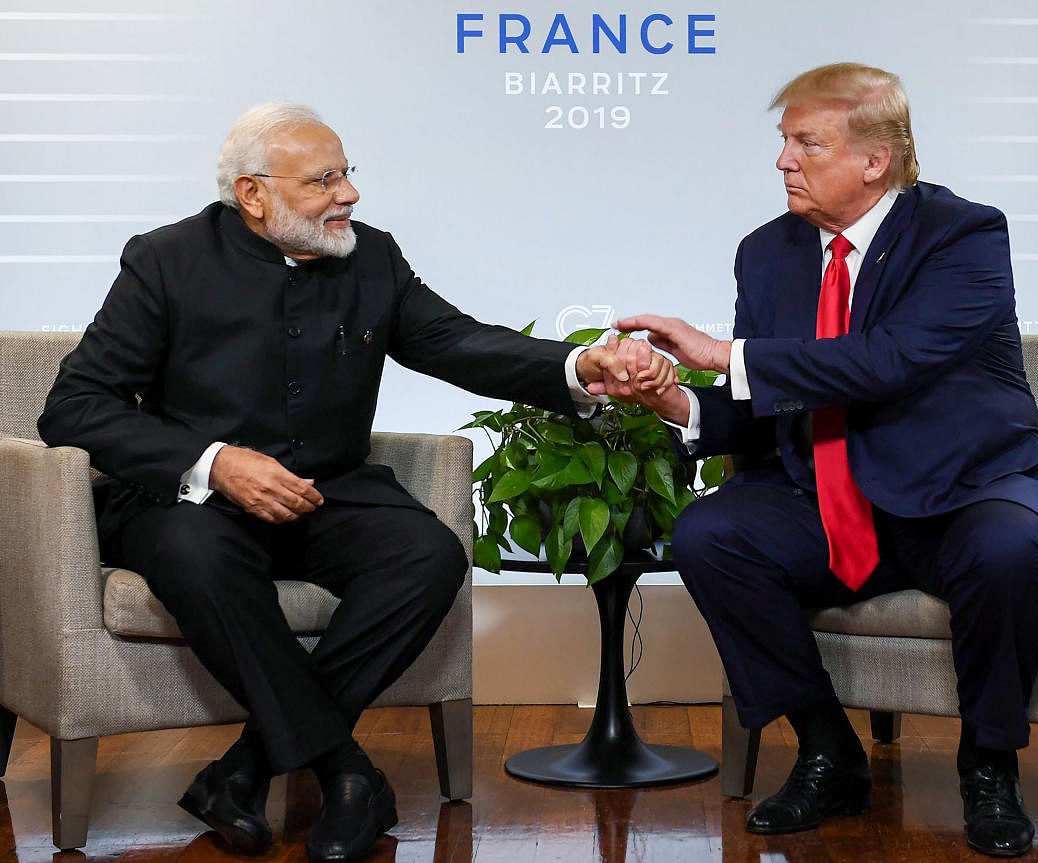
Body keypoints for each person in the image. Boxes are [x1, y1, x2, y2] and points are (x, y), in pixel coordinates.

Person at [37, 103, 673, 863]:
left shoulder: (372, 256)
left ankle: (243, 771)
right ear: (252, 193)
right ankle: (347, 773)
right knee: (198, 556)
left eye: (347, 174)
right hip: (193, 497)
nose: (349, 195)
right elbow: (73, 407)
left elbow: (457, 342)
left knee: (429, 554)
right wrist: (217, 461)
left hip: (328, 491)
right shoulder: (166, 259)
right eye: (323, 180)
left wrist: (579, 365)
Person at [594, 63, 1038, 858]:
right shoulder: (766, 252)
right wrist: (677, 401)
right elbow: (768, 403)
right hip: (830, 498)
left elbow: (886, 361)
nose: (782, 161)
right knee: (712, 535)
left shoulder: (961, 234)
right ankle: (828, 749)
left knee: (1005, 547)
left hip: (971, 487)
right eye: (782, 141)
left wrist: (725, 353)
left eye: (805, 143)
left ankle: (988, 764)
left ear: (874, 160)